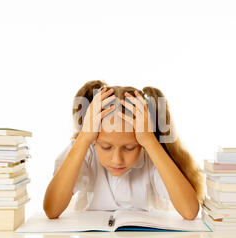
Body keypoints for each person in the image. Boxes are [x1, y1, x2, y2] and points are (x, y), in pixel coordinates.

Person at [43, 80, 205, 220]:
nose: (117, 160)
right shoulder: (86, 147)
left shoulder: (150, 150)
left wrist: (150, 141)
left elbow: (189, 212)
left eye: (129, 148)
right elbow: (51, 209)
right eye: (106, 147)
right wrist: (83, 138)